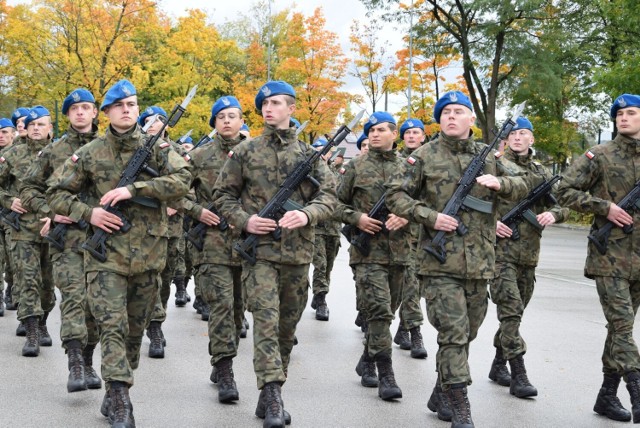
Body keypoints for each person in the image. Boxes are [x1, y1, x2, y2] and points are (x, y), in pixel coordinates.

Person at [46, 79, 191, 427]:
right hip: (104, 257)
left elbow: (184, 180)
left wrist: (135, 189)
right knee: (112, 325)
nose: (128, 110)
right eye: (120, 106)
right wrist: (89, 213)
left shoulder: (157, 148)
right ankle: (120, 396)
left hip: (149, 254)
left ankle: (115, 390)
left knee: (134, 330)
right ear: (107, 112)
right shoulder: (91, 151)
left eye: (133, 105)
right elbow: (55, 192)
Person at [385, 91, 532, 427]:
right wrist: (429, 216)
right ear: (440, 120)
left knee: (468, 333)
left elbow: (525, 184)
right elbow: (394, 195)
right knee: (452, 333)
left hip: (480, 263)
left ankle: (441, 389)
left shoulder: (490, 156)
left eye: (458, 111)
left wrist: (501, 183)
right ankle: (461, 406)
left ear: (471, 120)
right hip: (438, 263)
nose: (451, 116)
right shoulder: (423, 156)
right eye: (446, 112)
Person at [213, 80, 337, 427]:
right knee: (265, 321)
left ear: (292, 109)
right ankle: (272, 393)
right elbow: (222, 195)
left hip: (298, 254)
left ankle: (271, 387)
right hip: (260, 254)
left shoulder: (308, 156)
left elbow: (330, 196)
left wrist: (307, 213)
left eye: (277, 103)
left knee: (286, 326)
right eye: (265, 104)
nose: (269, 108)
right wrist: (245, 221)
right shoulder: (245, 152)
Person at [556, 94, 640, 424]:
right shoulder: (600, 156)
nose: (623, 118)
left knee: (621, 329)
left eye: (631, 113)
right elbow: (565, 190)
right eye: (619, 114)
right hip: (609, 257)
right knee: (622, 324)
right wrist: (605, 207)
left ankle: (607, 395)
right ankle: (636, 391)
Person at [20, 89, 103, 391]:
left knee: (96, 306)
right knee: (74, 297)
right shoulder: (54, 151)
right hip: (67, 239)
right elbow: (28, 189)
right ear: (67, 115)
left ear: (95, 112)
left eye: (86, 107)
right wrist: (51, 211)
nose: (80, 113)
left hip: (104, 240)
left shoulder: (108, 148)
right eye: (74, 109)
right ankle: (76, 361)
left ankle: (89, 358)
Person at [488, 117, 568, 398]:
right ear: (507, 139)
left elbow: (563, 204)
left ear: (532, 139)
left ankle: (498, 365)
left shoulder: (542, 172)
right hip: (499, 254)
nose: (518, 138)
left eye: (524, 133)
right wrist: (492, 221)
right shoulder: (494, 165)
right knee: (509, 309)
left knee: (515, 315)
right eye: (514, 134)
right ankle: (518, 374)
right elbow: (474, 202)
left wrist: (554, 214)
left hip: (529, 256)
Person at [337, 111, 410, 401]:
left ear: (395, 134)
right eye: (371, 131)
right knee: (379, 310)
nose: (375, 134)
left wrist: (406, 216)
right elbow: (333, 203)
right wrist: (357, 219)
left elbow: (423, 205)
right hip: (367, 253)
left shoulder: (409, 168)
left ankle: (367, 358)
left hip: (401, 252)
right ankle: (386, 372)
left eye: (381, 130)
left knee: (388, 311)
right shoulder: (356, 166)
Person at [185, 95, 248, 404]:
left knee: (239, 309)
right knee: (221, 306)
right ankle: (225, 369)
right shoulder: (199, 157)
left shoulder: (254, 154)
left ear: (241, 121)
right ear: (214, 123)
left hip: (248, 245)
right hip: (212, 244)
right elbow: (175, 192)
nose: (226, 120)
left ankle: (222, 358)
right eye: (221, 116)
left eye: (232, 115)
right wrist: (197, 211)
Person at [0, 106, 56, 357]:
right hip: (22, 229)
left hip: (53, 229)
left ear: (50, 129)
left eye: (41, 124)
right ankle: (32, 331)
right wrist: (7, 200)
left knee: (48, 284)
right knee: (27, 280)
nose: (35, 127)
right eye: (31, 124)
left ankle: (43, 322)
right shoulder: (12, 155)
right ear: (25, 128)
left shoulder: (61, 155)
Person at [136, 105, 190, 359]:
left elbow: (190, 189)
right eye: (148, 121)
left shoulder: (178, 152)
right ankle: (154, 327)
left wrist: (174, 204)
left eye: (158, 120)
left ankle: (156, 318)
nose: (154, 124)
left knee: (165, 277)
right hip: (143, 228)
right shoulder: (138, 151)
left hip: (171, 228)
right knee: (149, 277)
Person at [393, 118, 428, 358]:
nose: (412, 136)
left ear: (423, 136)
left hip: (426, 234)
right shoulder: (397, 163)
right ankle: (415, 331)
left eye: (416, 132)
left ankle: (403, 327)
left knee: (416, 286)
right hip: (400, 235)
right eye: (407, 133)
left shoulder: (432, 161)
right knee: (408, 285)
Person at [309, 138, 341, 322]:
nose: (323, 153)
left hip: (334, 227)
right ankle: (321, 299)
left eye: (325, 150)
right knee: (320, 264)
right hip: (316, 227)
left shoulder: (338, 173)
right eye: (319, 150)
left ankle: (319, 294)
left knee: (328, 265)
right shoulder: (310, 173)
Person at [0, 118, 17, 317]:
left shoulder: (18, 155)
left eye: (5, 132)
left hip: (14, 218)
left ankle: (12, 290)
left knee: (14, 261)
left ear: (13, 134)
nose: (1, 136)